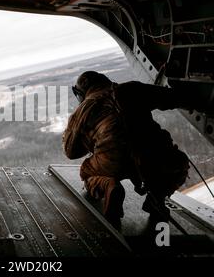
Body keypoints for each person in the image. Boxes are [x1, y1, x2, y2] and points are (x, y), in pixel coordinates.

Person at [62, 71, 194, 227]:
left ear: (81, 92)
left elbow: (70, 152)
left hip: (112, 160)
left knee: (87, 171)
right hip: (151, 154)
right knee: (178, 164)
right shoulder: (131, 89)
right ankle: (157, 198)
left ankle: (109, 186)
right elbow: (173, 98)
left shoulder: (82, 111)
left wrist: (90, 136)